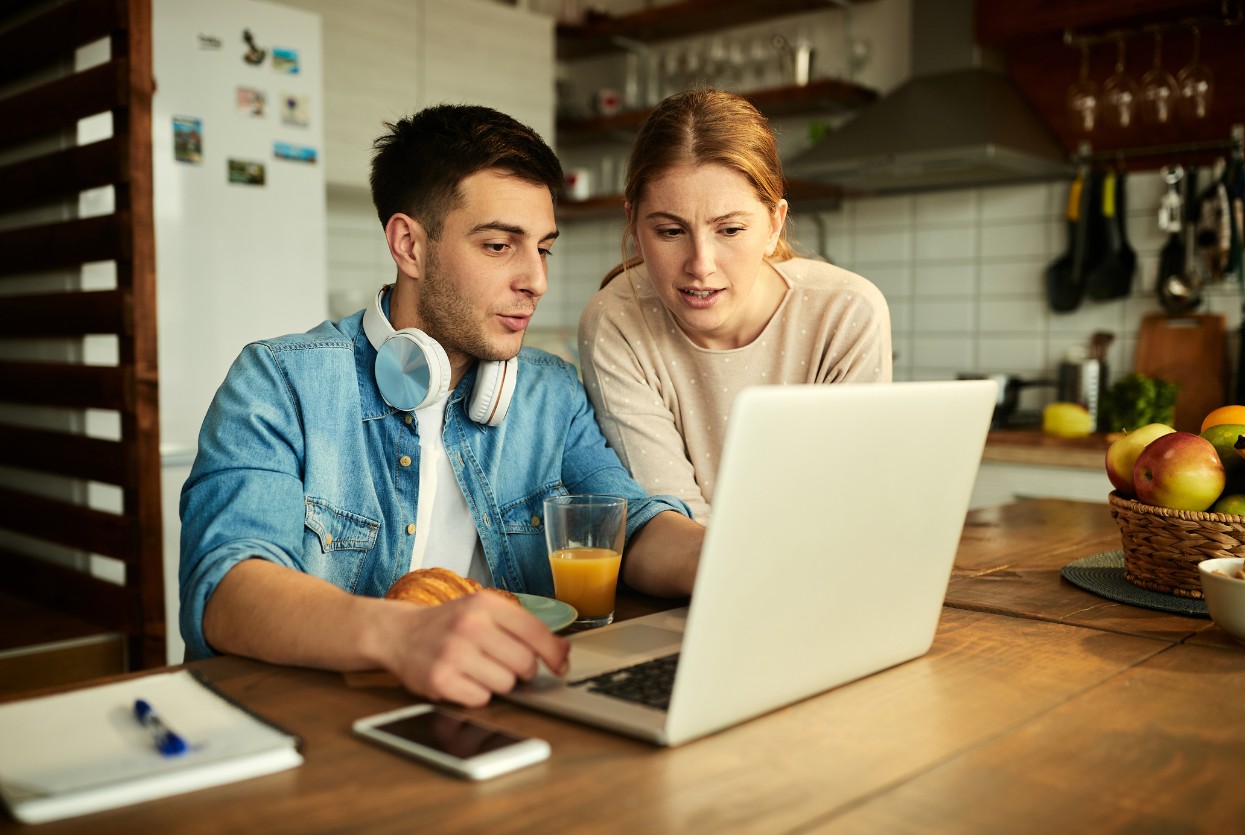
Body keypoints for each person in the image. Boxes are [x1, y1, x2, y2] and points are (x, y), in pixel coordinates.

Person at [179, 104, 704, 708]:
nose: (536, 279)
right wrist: (405, 637)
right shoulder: (279, 383)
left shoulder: (551, 393)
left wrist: (729, 558)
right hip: (318, 725)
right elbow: (226, 586)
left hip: (496, 714)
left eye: (544, 249)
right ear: (409, 245)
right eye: (500, 245)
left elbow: (630, 526)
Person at [578, 88, 893, 524]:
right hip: (690, 583)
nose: (700, 266)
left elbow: (847, 506)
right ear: (634, 226)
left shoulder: (846, 314)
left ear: (773, 224)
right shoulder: (616, 322)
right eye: (670, 232)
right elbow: (673, 520)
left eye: (729, 231)